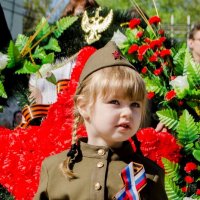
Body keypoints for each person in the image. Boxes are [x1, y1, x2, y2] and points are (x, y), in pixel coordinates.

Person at [34, 41, 168, 200]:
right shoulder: (54, 169)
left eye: (135, 105)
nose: (127, 112)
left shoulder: (149, 175)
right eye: (115, 102)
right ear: (84, 106)